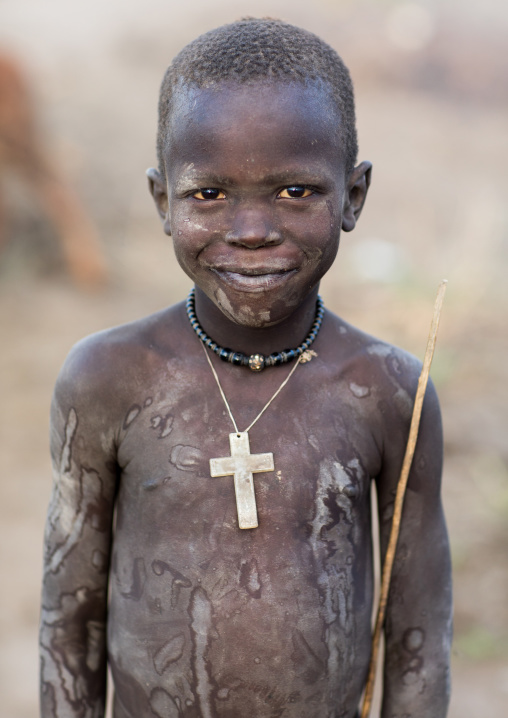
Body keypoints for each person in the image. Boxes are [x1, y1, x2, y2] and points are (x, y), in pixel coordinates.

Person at [39, 18, 452, 718]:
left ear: (352, 196)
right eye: (209, 194)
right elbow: (68, 622)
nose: (253, 230)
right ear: (162, 200)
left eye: (296, 192)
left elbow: (418, 635)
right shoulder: (109, 379)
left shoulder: (387, 391)